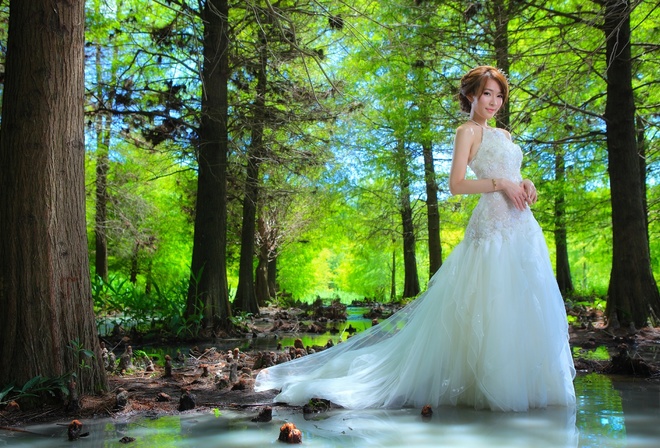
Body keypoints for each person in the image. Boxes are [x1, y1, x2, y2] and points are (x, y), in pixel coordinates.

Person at [254, 65, 576, 412]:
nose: (494, 102)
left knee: (523, 300)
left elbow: (514, 174)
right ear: (471, 95)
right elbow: (457, 185)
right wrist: (502, 184)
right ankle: (485, 385)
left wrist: (525, 183)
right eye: (487, 94)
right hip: (492, 224)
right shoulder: (466, 132)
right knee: (489, 299)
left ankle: (525, 384)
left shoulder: (506, 136)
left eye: (499, 95)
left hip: (521, 224)